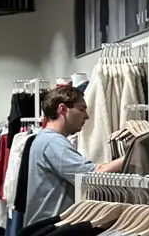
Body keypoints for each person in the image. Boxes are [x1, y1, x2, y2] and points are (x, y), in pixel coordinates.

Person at [25, 84, 125, 226]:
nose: (86, 116)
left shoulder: (45, 139)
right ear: (62, 109)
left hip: (46, 225)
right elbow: (90, 176)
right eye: (81, 109)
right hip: (50, 227)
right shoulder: (53, 142)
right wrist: (132, 156)